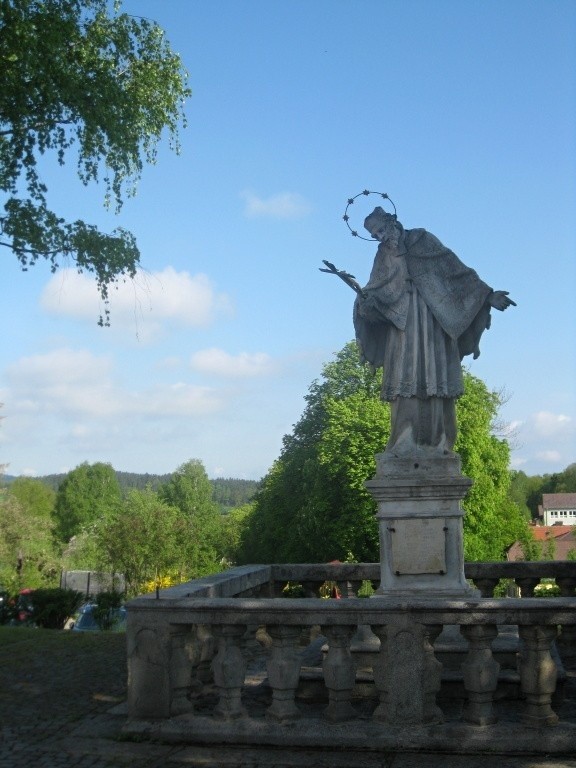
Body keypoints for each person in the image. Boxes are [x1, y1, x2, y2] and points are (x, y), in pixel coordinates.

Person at [353, 206, 515, 457]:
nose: (380, 237)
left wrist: (487, 295)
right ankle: (404, 440)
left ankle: (439, 442)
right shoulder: (383, 254)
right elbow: (377, 288)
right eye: (375, 235)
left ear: (392, 221)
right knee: (403, 377)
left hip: (433, 319)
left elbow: (456, 271)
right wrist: (366, 302)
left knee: (435, 374)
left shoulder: (422, 239)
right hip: (401, 324)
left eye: (381, 230)